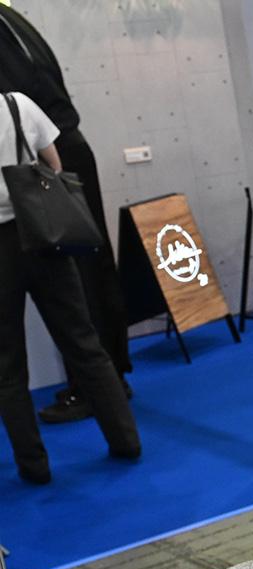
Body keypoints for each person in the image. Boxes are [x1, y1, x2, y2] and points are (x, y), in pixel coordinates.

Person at [0, 91, 139, 485]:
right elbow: (55, 164)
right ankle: (126, 441)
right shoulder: (17, 104)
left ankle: (34, 466)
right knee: (83, 343)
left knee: (7, 364)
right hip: (43, 235)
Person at [0, 3, 130, 424]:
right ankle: (110, 378)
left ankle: (91, 389)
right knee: (93, 265)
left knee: (74, 282)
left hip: (42, 164)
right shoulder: (11, 18)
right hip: (66, 147)